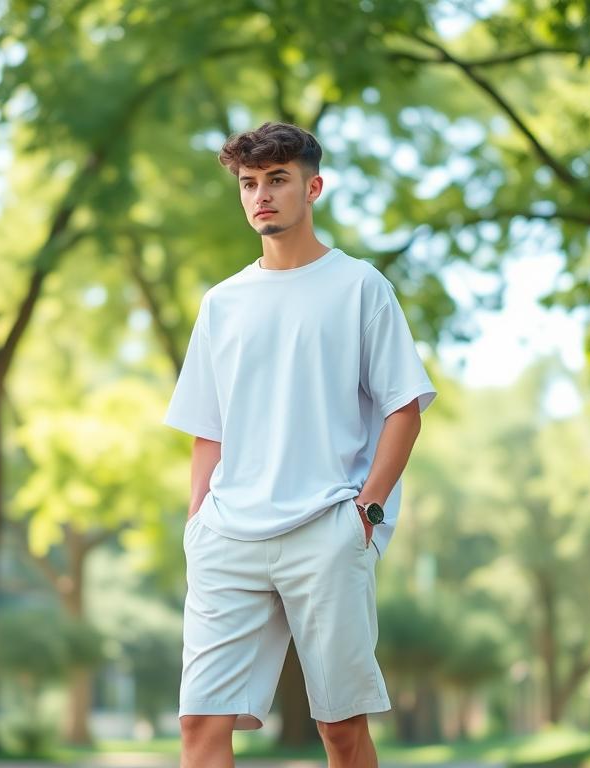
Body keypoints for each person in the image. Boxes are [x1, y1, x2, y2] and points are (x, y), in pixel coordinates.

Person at [164, 121, 437, 767]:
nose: (262, 194)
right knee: (200, 723)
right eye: (250, 183)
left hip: (327, 526)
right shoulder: (222, 303)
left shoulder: (360, 287)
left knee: (340, 729)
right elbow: (210, 428)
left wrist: (366, 512)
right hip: (228, 535)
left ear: (312, 187)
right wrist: (196, 524)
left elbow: (405, 408)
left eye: (278, 180)